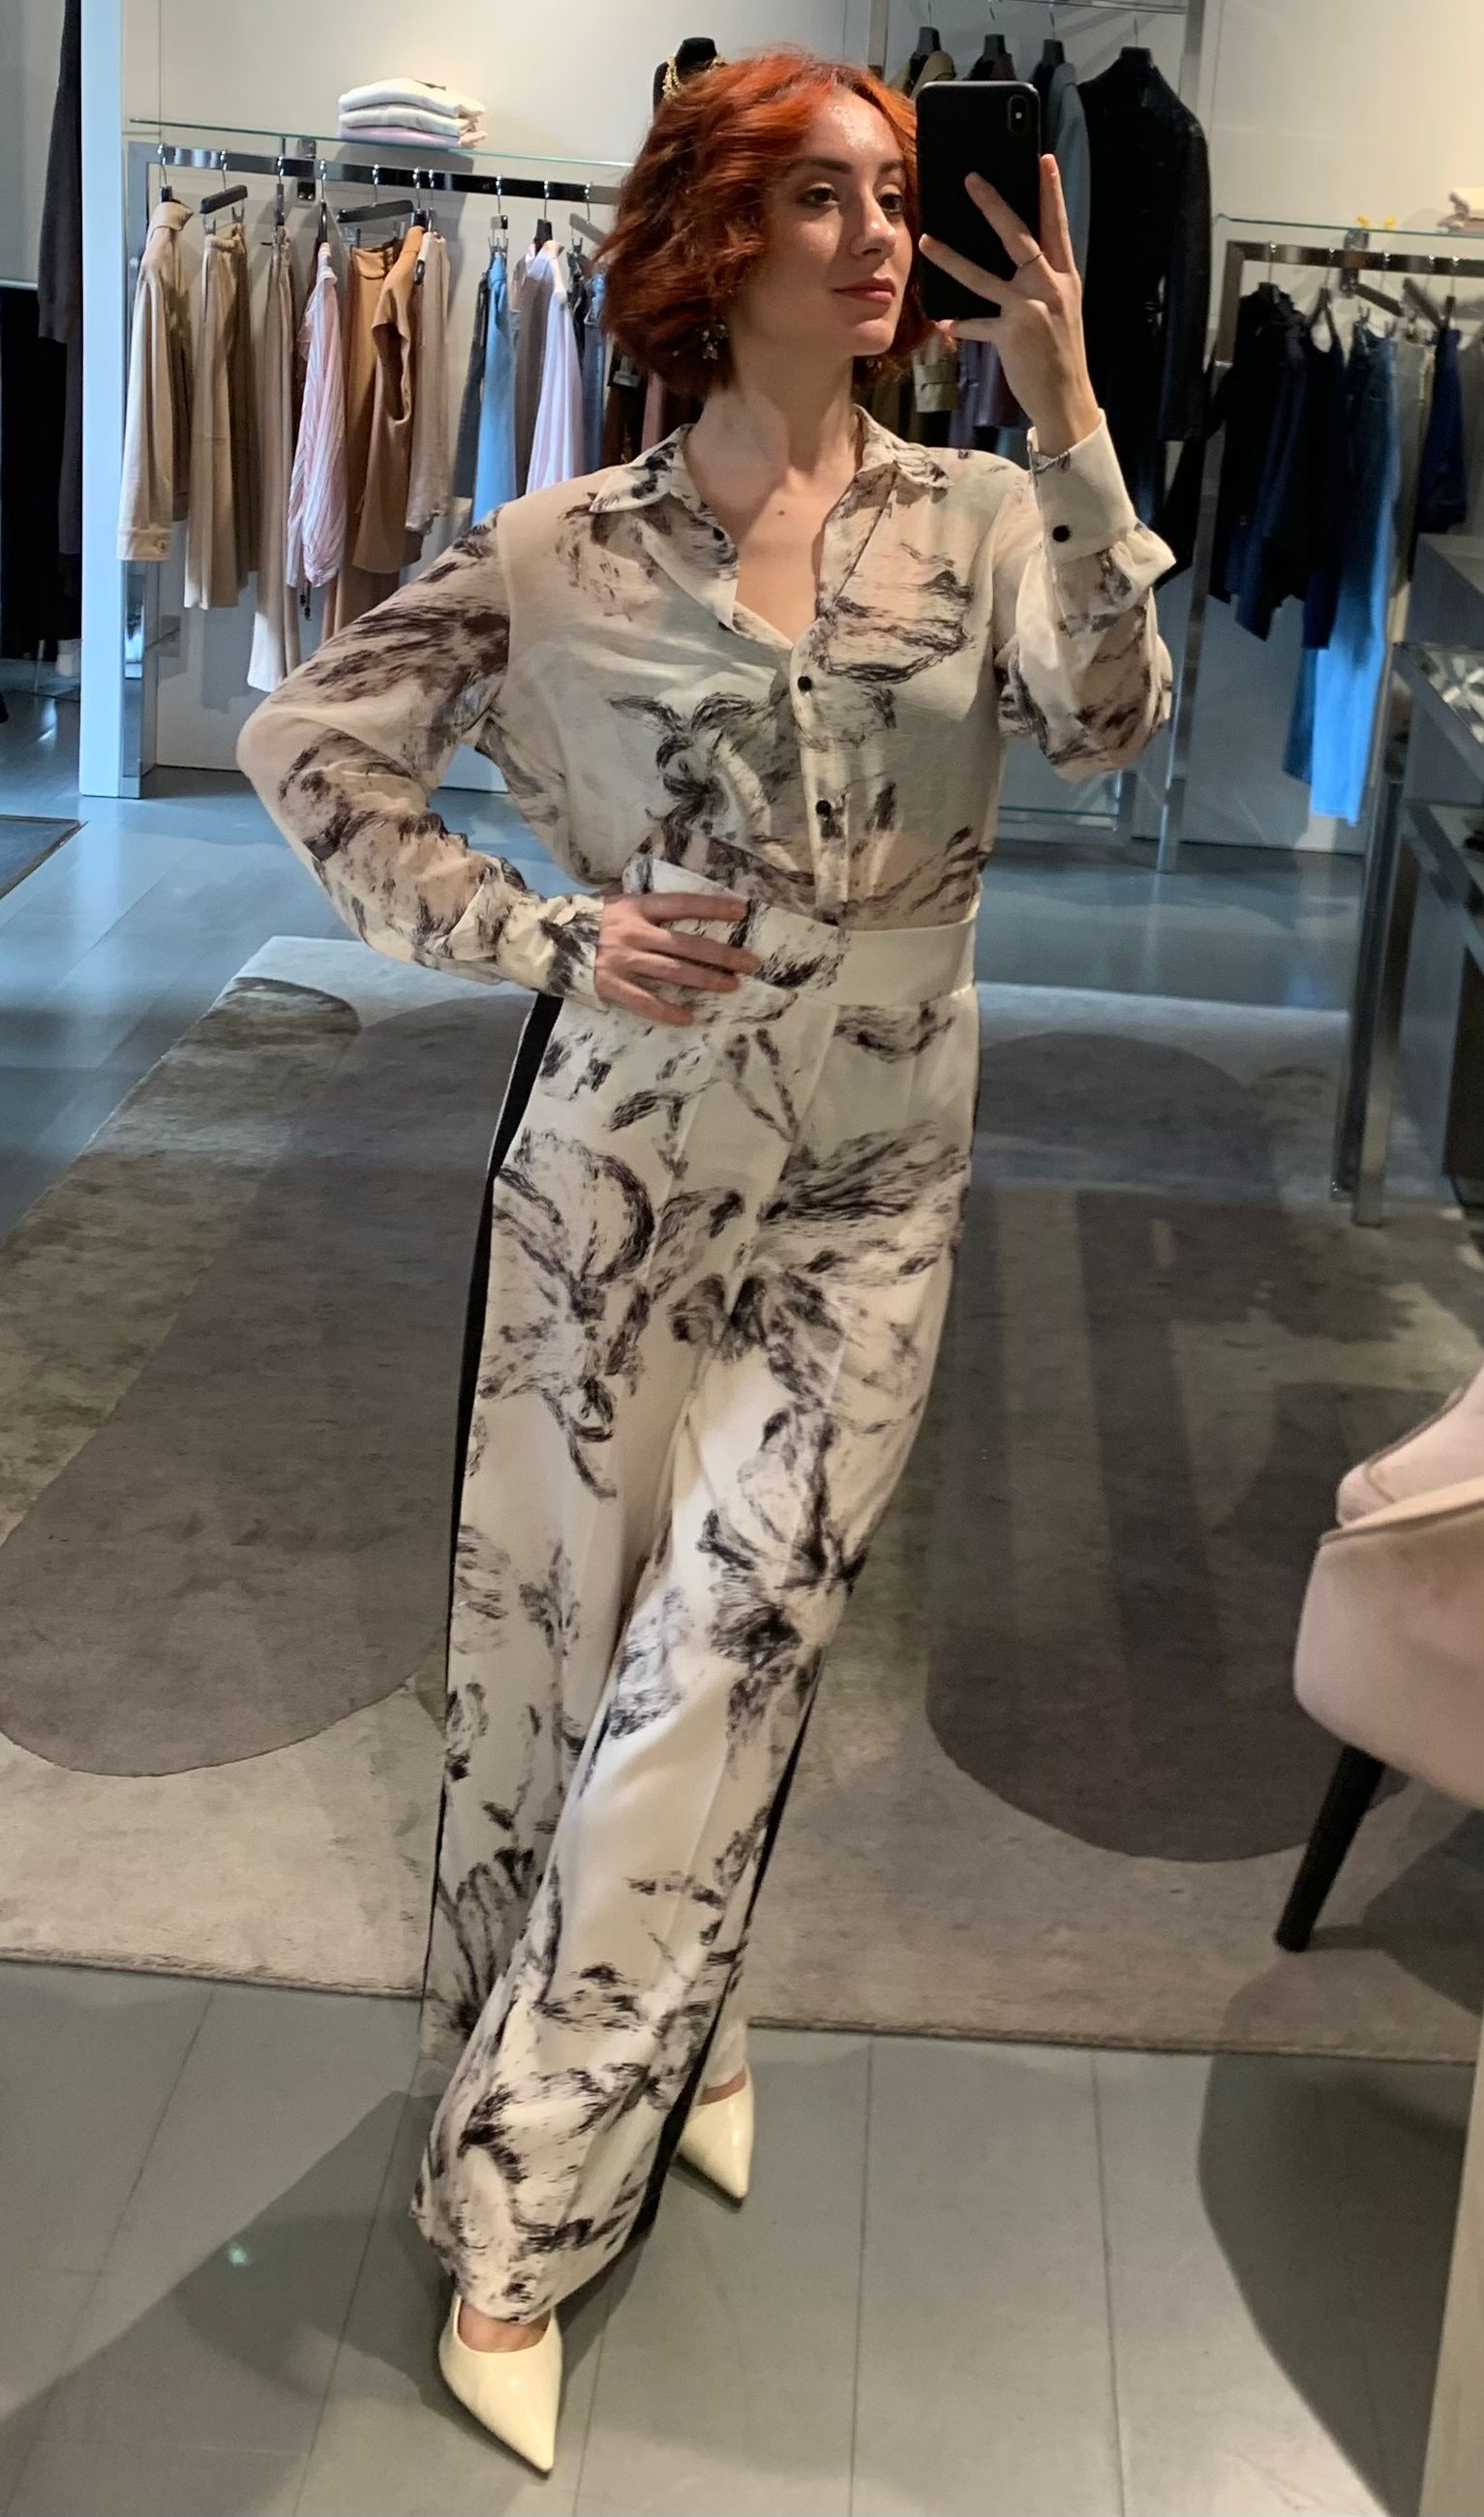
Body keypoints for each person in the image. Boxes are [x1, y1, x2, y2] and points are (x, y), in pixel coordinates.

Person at [236, 43, 1174, 2473]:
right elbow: (309, 745)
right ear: (718, 237)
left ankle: (514, 2211)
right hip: (620, 1165)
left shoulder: (986, 510)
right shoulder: (560, 546)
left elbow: (1104, 725)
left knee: (725, 1645)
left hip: (874, 1176)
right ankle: (686, 2014)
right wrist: (535, 930)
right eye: (824, 200)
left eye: (893, 196)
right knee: (562, 1643)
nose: (878, 240)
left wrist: (1073, 421)